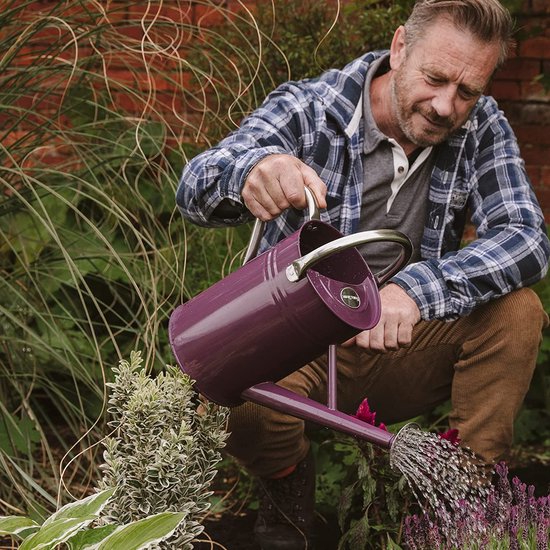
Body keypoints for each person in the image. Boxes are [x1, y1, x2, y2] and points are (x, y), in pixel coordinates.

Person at [177, 0, 550, 547]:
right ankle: (286, 486)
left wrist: (417, 291)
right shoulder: (311, 108)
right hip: (298, 347)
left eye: (467, 91)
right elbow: (195, 185)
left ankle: (468, 502)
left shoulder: (481, 126)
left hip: (397, 340)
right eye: (436, 78)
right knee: (222, 380)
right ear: (400, 48)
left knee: (518, 311)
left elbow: (526, 238)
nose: (447, 106)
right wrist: (250, 170)